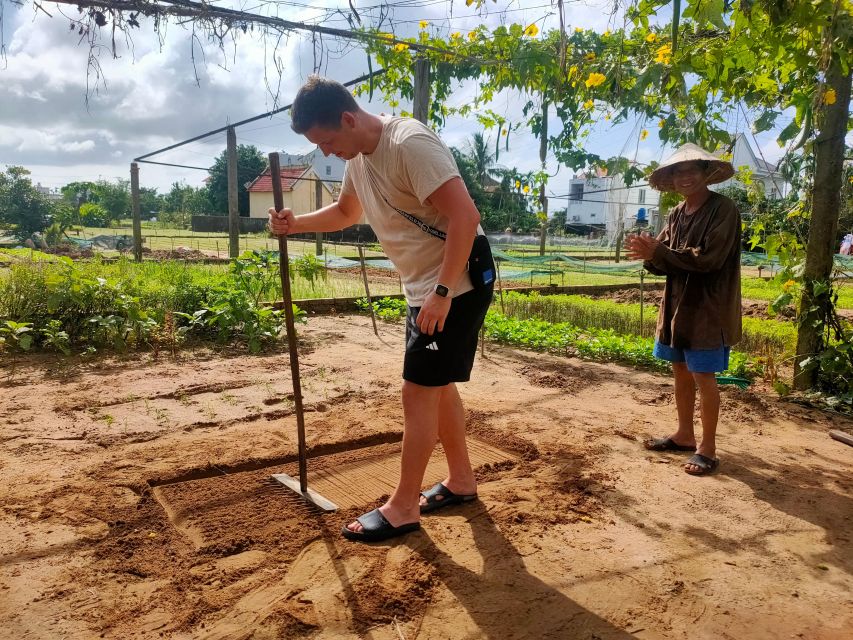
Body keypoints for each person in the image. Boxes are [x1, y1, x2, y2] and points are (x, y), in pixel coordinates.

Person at [268, 76, 494, 542]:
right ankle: (461, 480)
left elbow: (465, 216)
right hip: (427, 287)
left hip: (456, 285)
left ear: (349, 119)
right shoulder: (359, 158)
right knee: (437, 386)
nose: (326, 152)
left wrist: (443, 293)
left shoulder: (408, 143)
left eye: (327, 141)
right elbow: (346, 214)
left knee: (417, 393)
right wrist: (295, 224)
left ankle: (403, 506)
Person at [625, 143, 741, 476]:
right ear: (671, 179)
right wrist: (648, 253)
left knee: (704, 376)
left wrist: (659, 251)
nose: (684, 176)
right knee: (679, 371)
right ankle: (685, 434)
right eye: (677, 171)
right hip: (677, 308)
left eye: (692, 169)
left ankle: (708, 448)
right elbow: (664, 260)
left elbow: (709, 260)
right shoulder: (676, 214)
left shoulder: (724, 210)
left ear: (707, 173)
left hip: (708, 309)